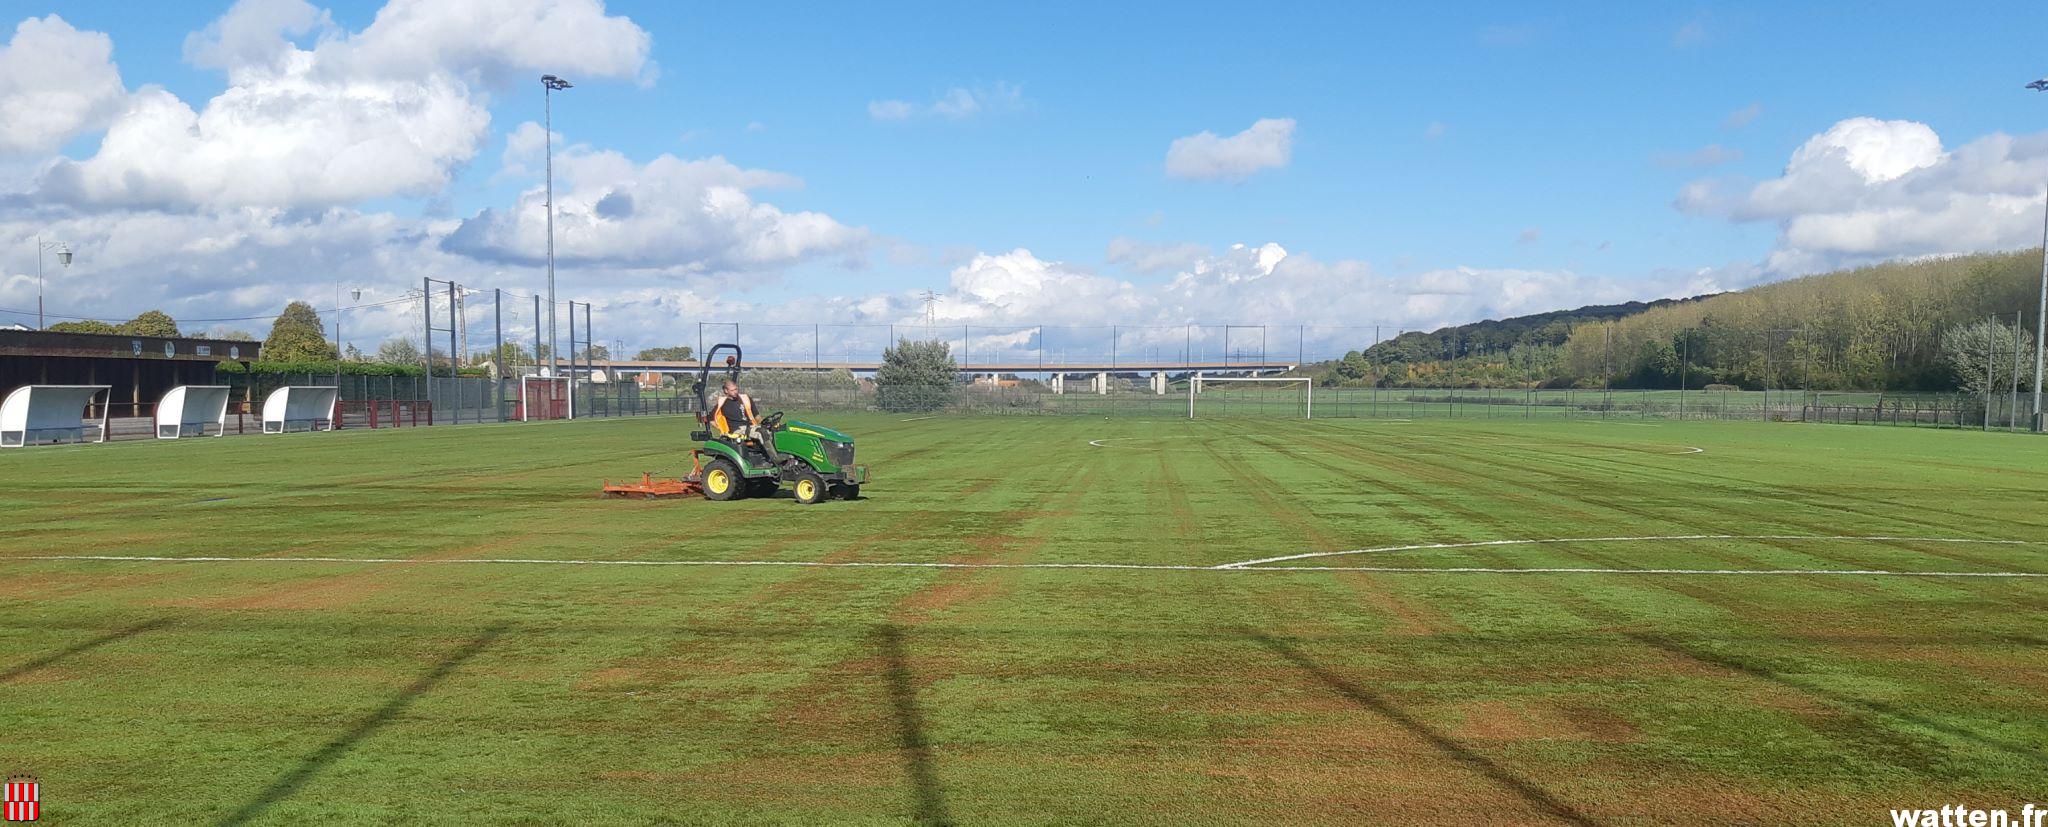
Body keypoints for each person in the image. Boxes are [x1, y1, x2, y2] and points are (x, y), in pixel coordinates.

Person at [710, 380, 777, 460]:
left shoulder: (745, 399)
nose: (735, 392)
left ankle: (774, 455)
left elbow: (757, 416)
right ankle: (774, 458)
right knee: (761, 432)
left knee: (773, 431)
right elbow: (711, 420)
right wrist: (722, 429)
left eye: (736, 389)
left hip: (750, 427)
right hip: (737, 430)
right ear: (726, 391)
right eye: (732, 390)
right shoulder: (722, 404)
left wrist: (765, 424)